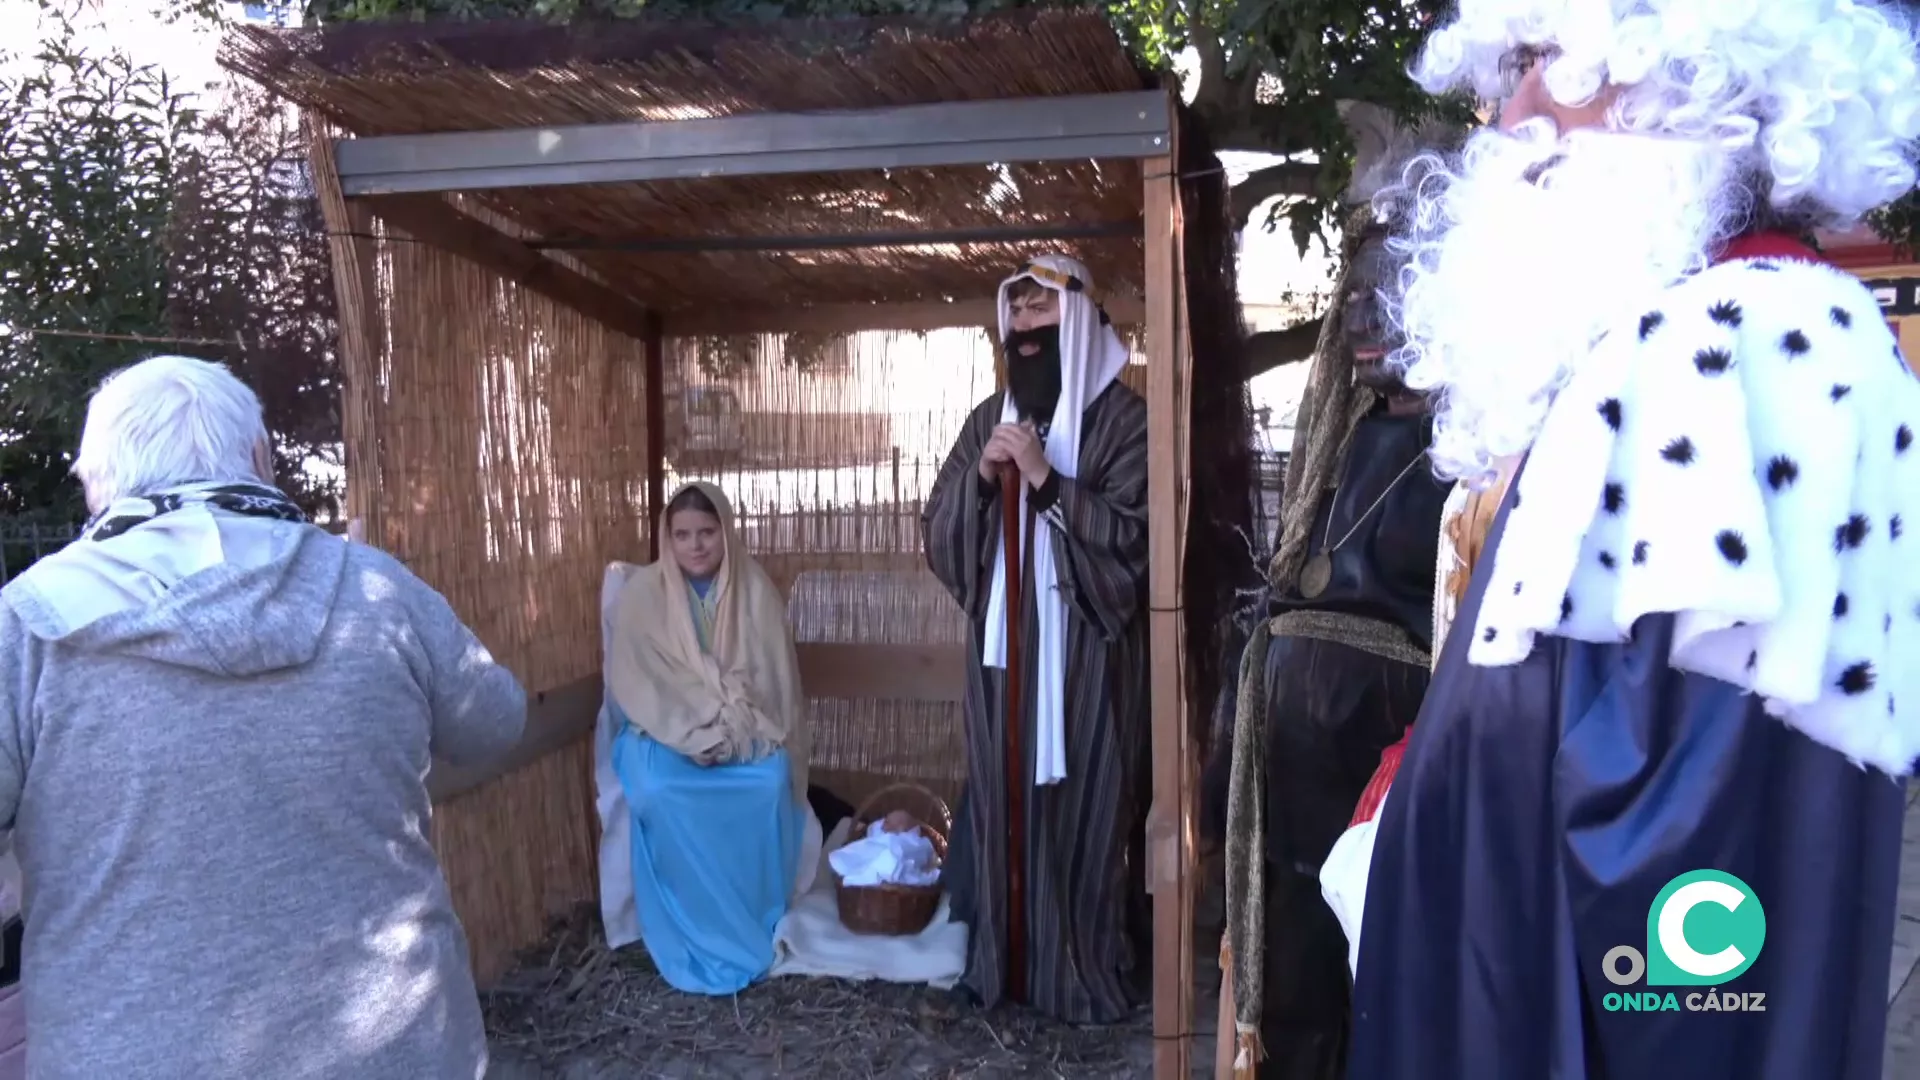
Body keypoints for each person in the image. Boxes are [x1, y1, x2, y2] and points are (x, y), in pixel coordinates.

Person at [1347, 4, 1920, 1078]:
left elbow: (1689, 913)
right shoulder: (1734, 332)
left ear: (1700, 80)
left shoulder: (1736, 353)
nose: (1507, 115)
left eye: (1543, 63)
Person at [0, 355, 525, 1079]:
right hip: (397, 1048)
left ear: (98, 482)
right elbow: (495, 723)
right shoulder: (379, 591)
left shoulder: (24, 627)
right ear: (259, 458)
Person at [1203, 195, 1451, 1080]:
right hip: (1292, 766)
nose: (1363, 314)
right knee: (1294, 983)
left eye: (1392, 288)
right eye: (1356, 293)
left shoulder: (1476, 455)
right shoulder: (1336, 441)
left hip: (1393, 768)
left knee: (1386, 979)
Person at [922, 254, 1151, 1023]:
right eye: (1015, 314)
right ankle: (1002, 967)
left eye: (1040, 312)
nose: (1024, 328)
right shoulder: (989, 419)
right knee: (1001, 801)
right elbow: (940, 532)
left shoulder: (1125, 422)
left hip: (1087, 660)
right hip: (1001, 660)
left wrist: (1047, 480)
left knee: (1085, 808)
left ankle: (1078, 973)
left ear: (1077, 321)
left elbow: (1135, 544)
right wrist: (984, 481)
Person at [597, 481, 811, 996]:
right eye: (683, 535)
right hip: (663, 732)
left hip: (740, 731)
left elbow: (768, 683)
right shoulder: (642, 596)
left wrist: (726, 734)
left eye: (707, 533)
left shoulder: (755, 591)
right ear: (667, 538)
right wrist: (691, 735)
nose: (695, 546)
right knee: (658, 791)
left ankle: (748, 917)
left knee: (769, 782)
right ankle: (688, 924)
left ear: (726, 532)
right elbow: (640, 686)